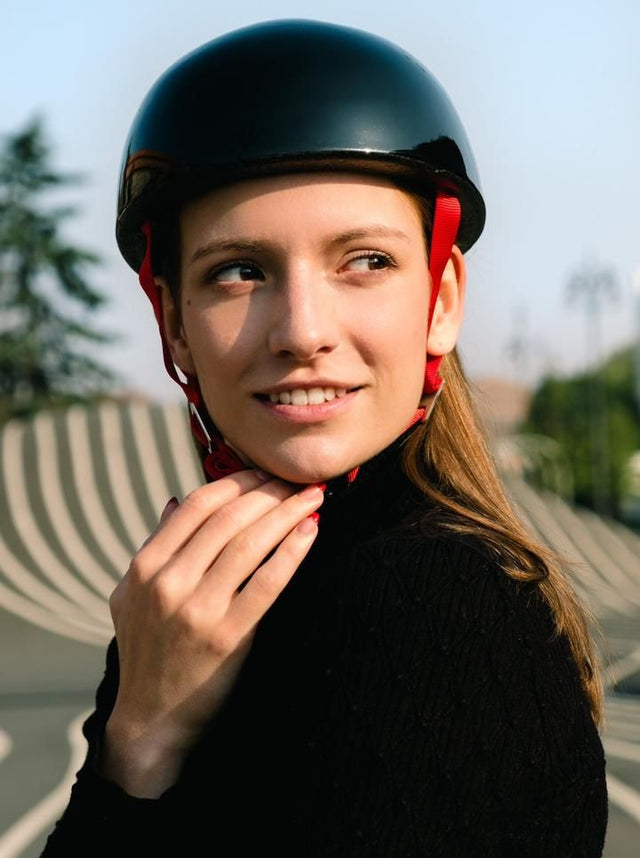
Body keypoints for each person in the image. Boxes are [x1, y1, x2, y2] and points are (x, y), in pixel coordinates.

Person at [41, 19, 607, 857]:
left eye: (366, 261)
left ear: (441, 298)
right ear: (175, 325)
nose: (303, 330)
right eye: (239, 271)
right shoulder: (196, 611)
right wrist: (135, 735)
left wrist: (139, 753)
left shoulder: (429, 600)